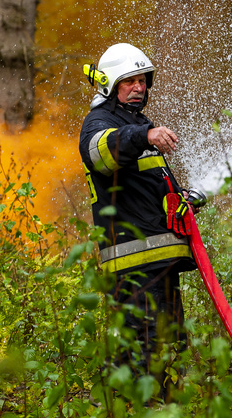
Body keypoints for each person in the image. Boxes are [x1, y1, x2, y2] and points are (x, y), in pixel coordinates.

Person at [79, 42, 198, 400]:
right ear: (110, 85)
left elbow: (148, 190)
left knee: (169, 343)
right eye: (130, 81)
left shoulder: (138, 125)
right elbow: (101, 152)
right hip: (134, 266)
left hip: (157, 262)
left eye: (144, 81)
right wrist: (143, 136)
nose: (140, 88)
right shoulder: (101, 124)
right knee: (144, 349)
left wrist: (184, 199)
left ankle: (161, 405)